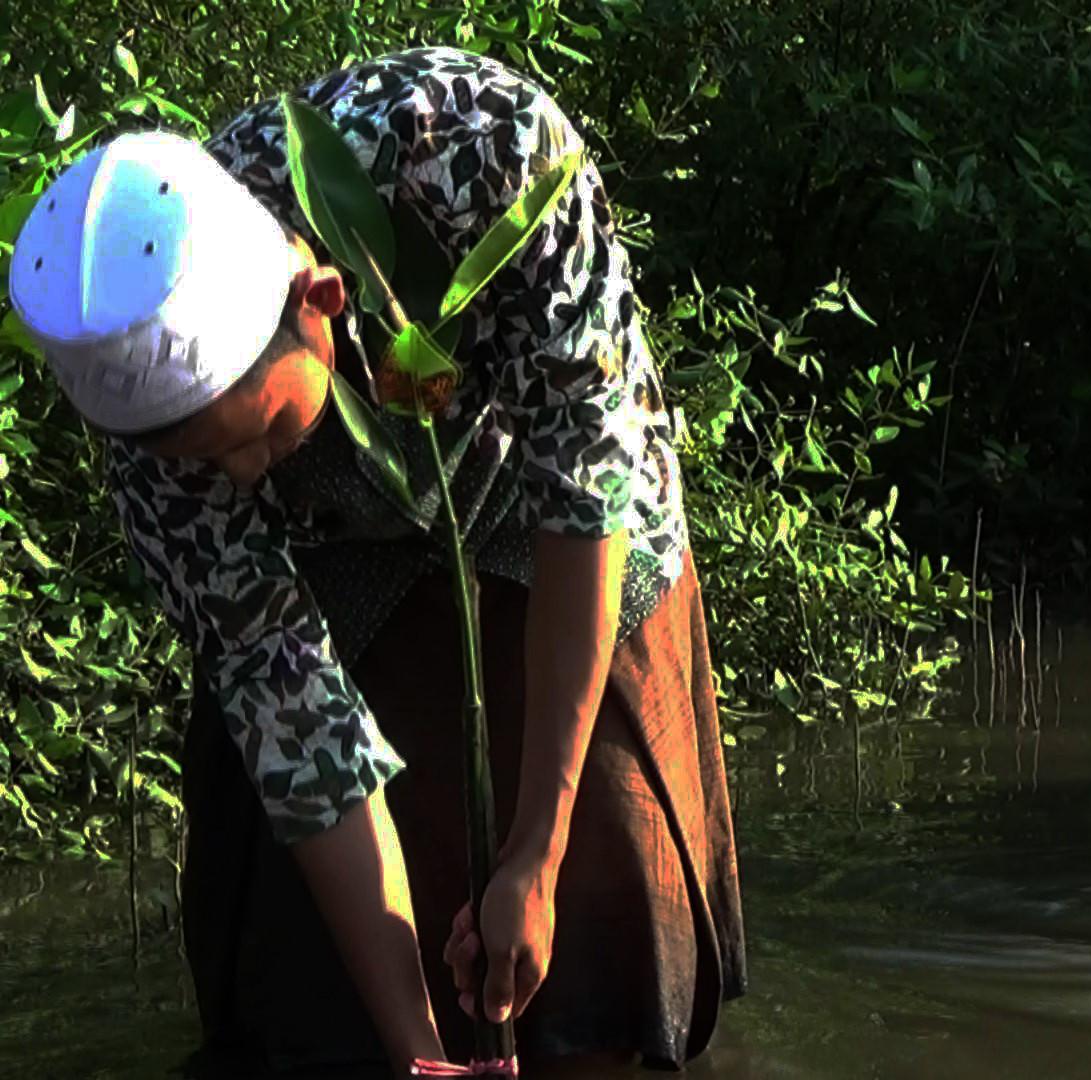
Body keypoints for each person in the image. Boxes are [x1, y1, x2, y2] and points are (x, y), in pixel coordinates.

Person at [7, 46, 745, 1076]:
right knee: (307, 995)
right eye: (202, 460)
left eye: (255, 438)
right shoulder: (148, 445)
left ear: (318, 300)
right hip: (336, 552)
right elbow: (295, 719)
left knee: (599, 928)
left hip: (531, 480)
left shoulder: (484, 154)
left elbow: (585, 495)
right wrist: (415, 1053)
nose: (240, 477)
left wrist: (535, 852)